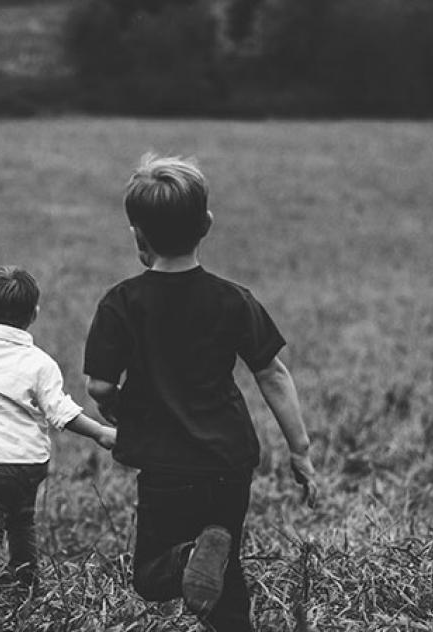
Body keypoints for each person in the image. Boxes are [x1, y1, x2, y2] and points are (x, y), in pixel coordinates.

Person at [83, 154, 319, 632]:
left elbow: (100, 385)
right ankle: (212, 570)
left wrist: (117, 408)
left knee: (153, 575)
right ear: (206, 225)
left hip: (167, 465)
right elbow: (272, 374)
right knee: (222, 577)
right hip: (229, 463)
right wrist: (300, 451)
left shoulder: (123, 302)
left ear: (137, 234)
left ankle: (192, 553)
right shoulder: (233, 299)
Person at [0, 266, 116, 588]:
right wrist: (101, 432)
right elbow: (59, 411)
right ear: (34, 313)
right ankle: (27, 584)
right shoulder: (41, 363)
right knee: (22, 523)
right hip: (28, 464)